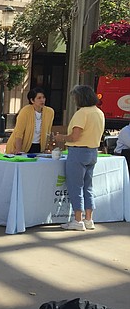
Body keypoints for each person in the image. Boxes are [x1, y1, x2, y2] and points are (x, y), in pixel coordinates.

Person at [55, 85, 105, 231]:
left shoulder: (82, 113)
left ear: (80, 97)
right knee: (88, 187)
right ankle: (88, 219)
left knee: (75, 186)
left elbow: (75, 137)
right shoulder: (99, 112)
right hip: (93, 151)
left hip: (78, 152)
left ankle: (78, 220)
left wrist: (61, 137)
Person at [5, 87, 54, 154]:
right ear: (32, 100)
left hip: (39, 147)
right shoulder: (25, 111)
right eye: (39, 98)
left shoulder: (50, 112)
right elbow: (19, 133)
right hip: (21, 146)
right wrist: (18, 151)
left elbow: (48, 131)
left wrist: (47, 148)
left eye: (43, 97)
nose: (42, 100)